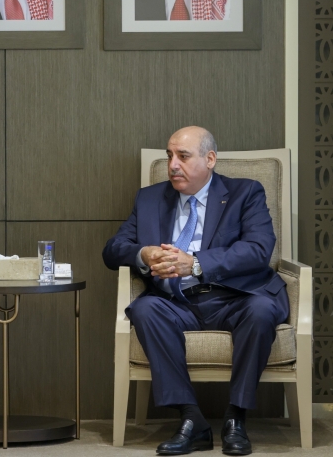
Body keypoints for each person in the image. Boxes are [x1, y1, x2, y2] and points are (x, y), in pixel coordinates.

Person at [103, 126, 288, 456]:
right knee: (145, 309)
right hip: (177, 301)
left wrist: (197, 263)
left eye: (183, 156)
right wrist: (144, 253)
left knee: (262, 311)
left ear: (210, 159)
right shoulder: (149, 198)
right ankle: (191, 419)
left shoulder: (245, 193)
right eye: (169, 156)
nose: (173, 165)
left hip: (236, 299)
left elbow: (259, 249)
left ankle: (236, 418)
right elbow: (113, 249)